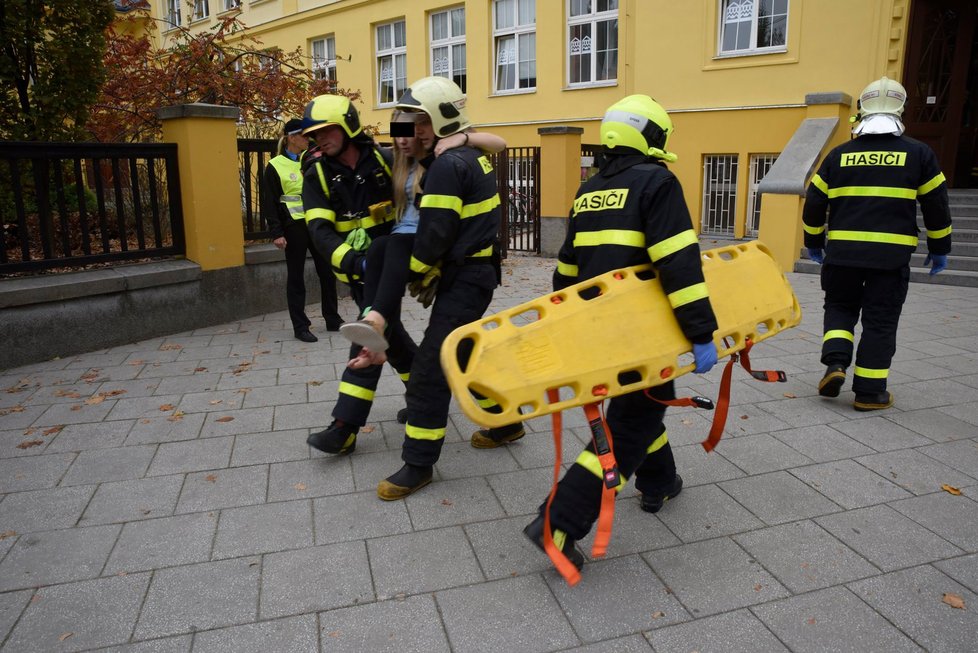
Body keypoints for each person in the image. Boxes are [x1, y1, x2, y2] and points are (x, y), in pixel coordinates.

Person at [522, 94, 720, 568]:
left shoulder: (589, 190)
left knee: (643, 409)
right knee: (634, 422)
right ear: (652, 137)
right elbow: (679, 262)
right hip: (643, 335)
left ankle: (660, 482)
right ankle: (561, 520)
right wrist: (701, 331)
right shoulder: (658, 181)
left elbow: (566, 269)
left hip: (598, 330)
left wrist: (568, 326)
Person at [376, 76, 516, 500]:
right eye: (410, 123)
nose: (413, 132)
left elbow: (434, 234)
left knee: (430, 370)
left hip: (466, 276)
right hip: (475, 273)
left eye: (421, 123)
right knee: (464, 356)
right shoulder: (467, 154)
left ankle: (418, 464)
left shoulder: (446, 167)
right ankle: (507, 422)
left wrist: (414, 272)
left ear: (441, 120)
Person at [803, 76, 952, 411]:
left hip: (841, 255)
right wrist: (940, 248)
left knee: (840, 308)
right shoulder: (919, 154)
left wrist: (813, 241)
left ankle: (836, 365)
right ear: (902, 110)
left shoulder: (839, 155)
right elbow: (936, 205)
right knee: (880, 319)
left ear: (861, 110)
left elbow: (814, 201)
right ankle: (870, 393)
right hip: (890, 258)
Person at [341, 111, 507, 368]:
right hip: (400, 239)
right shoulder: (396, 159)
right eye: (397, 135)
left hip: (423, 241)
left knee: (390, 246)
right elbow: (367, 150)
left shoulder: (437, 159)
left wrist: (462, 138)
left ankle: (375, 322)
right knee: (378, 249)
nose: (403, 141)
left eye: (409, 133)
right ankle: (373, 330)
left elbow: (500, 143)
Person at [300, 94, 418, 455]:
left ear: (349, 125)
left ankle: (344, 427)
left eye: (327, 129)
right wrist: (355, 262)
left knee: (369, 330)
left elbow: (415, 149)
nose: (320, 138)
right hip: (358, 272)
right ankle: (424, 397)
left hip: (391, 269)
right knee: (390, 337)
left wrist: (408, 106)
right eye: (314, 134)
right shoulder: (316, 175)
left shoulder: (384, 160)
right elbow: (319, 233)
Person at [262, 118, 342, 342]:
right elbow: (270, 201)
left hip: (317, 223)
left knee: (327, 272)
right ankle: (300, 326)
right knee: (296, 277)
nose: (309, 139)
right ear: (291, 138)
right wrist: (276, 232)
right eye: (304, 136)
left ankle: (332, 318)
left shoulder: (315, 160)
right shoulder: (275, 165)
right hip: (293, 226)